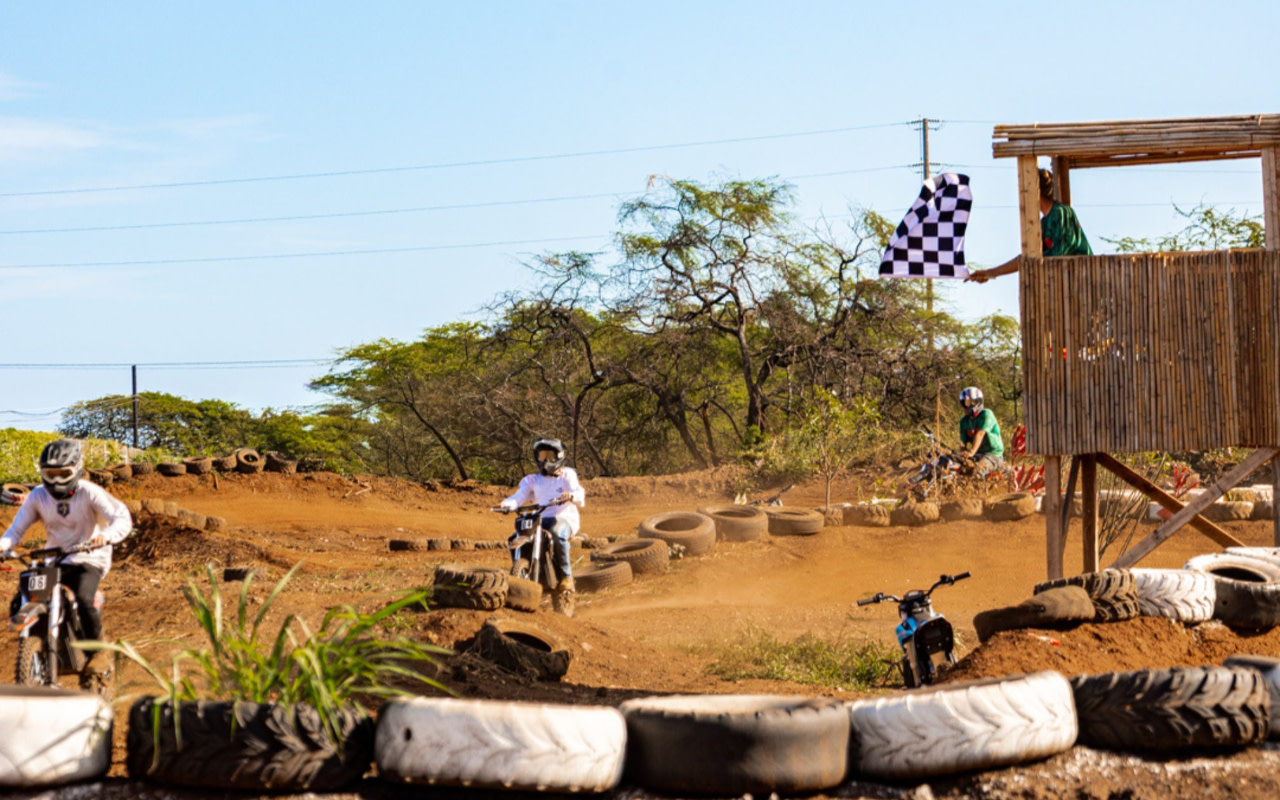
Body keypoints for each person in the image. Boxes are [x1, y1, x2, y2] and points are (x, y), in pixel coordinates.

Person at [0, 439, 132, 689]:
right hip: (55, 560)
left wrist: (106, 536)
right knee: (21, 600)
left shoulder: (89, 492)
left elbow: (121, 517)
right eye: (51, 474)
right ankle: (35, 650)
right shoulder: (38, 495)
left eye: (64, 474)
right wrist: (3, 546)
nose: (57, 481)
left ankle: (98, 651)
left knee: (83, 597)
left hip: (88, 558)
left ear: (77, 469)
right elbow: (15, 530)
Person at [499, 437, 585, 614]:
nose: (545, 460)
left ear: (559, 456)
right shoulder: (531, 480)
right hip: (539, 518)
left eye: (550, 455)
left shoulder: (567, 475)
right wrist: (507, 504)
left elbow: (579, 492)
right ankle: (523, 573)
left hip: (563, 517)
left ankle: (566, 577)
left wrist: (570, 495)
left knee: (557, 532)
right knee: (514, 537)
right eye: (542, 455)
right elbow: (519, 496)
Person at [965, 168, 1091, 283]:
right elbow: (1029, 256)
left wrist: (1032, 261)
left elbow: (1060, 252)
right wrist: (990, 273)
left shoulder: (1061, 212)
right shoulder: (1043, 223)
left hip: (1083, 278)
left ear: (1035, 189)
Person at [957, 387, 1004, 478]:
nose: (970, 406)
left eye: (973, 402)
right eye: (967, 403)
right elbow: (962, 442)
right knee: (959, 469)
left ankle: (978, 490)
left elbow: (980, 434)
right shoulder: (964, 421)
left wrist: (971, 452)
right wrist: (963, 454)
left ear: (979, 402)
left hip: (993, 455)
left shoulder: (986, 414)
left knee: (977, 471)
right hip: (977, 455)